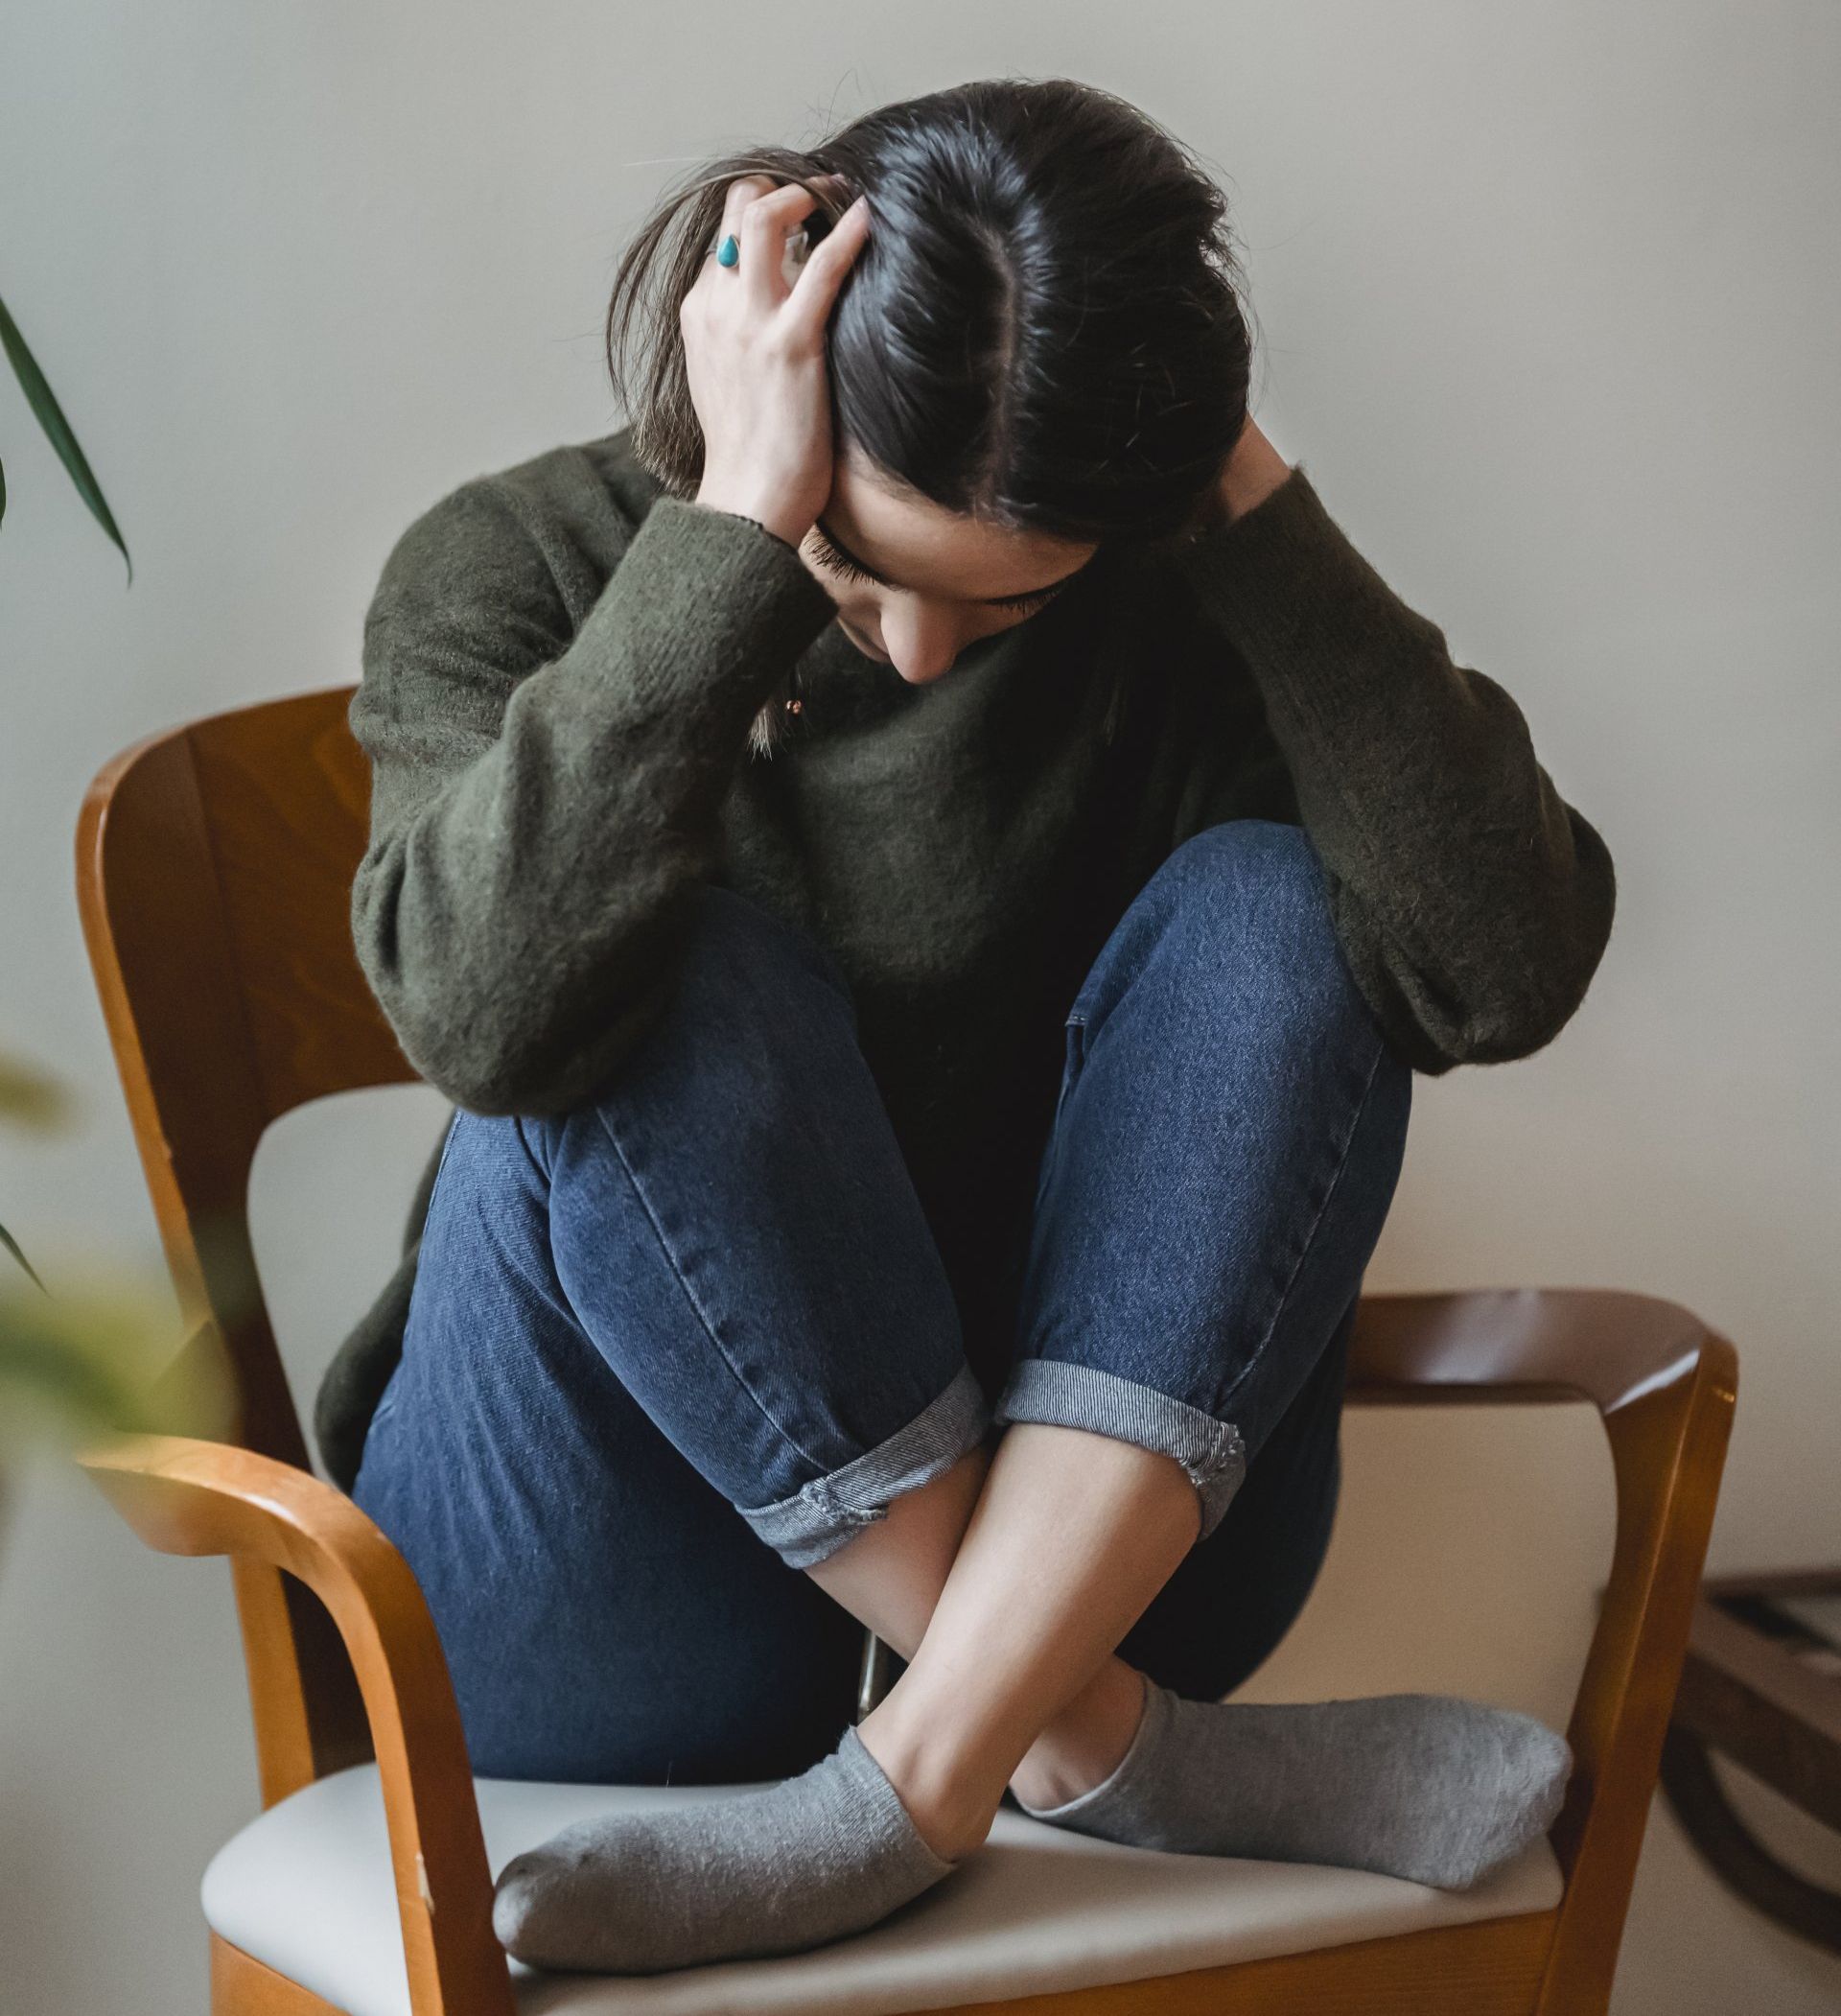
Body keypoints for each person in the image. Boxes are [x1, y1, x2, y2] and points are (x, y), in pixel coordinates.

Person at [329, 77, 1617, 1977]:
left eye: (998, 610)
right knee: (655, 963)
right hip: (592, 1577)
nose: (921, 651)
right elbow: (484, 1013)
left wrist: (1249, 510)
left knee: (1285, 914)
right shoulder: (509, 569)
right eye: (864, 566)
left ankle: (918, 1770)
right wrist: (734, 549)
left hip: (1100, 1521)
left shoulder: (1169, 603)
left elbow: (1495, 967)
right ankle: (1094, 1739)